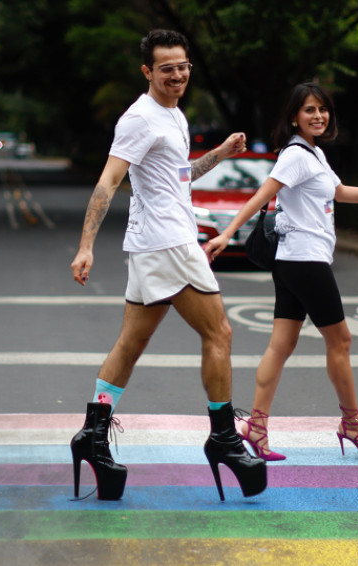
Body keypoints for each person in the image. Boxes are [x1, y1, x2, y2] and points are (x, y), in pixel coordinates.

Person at [69, 29, 266, 501]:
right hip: (169, 244)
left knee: (131, 344)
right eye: (167, 69)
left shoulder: (174, 114)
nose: (177, 76)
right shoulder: (139, 118)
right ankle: (223, 438)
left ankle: (93, 435)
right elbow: (108, 182)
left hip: (152, 245)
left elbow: (179, 175)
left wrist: (219, 154)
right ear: (147, 72)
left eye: (183, 67)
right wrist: (85, 245)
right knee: (219, 333)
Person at [204, 82, 358, 461]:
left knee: (281, 345)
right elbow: (262, 194)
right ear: (294, 117)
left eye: (322, 109)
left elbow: (339, 192)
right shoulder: (295, 154)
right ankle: (352, 424)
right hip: (305, 261)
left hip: (293, 260)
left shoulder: (314, 153)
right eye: (309, 110)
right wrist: (226, 233)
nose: (318, 116)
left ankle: (256, 427)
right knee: (341, 341)